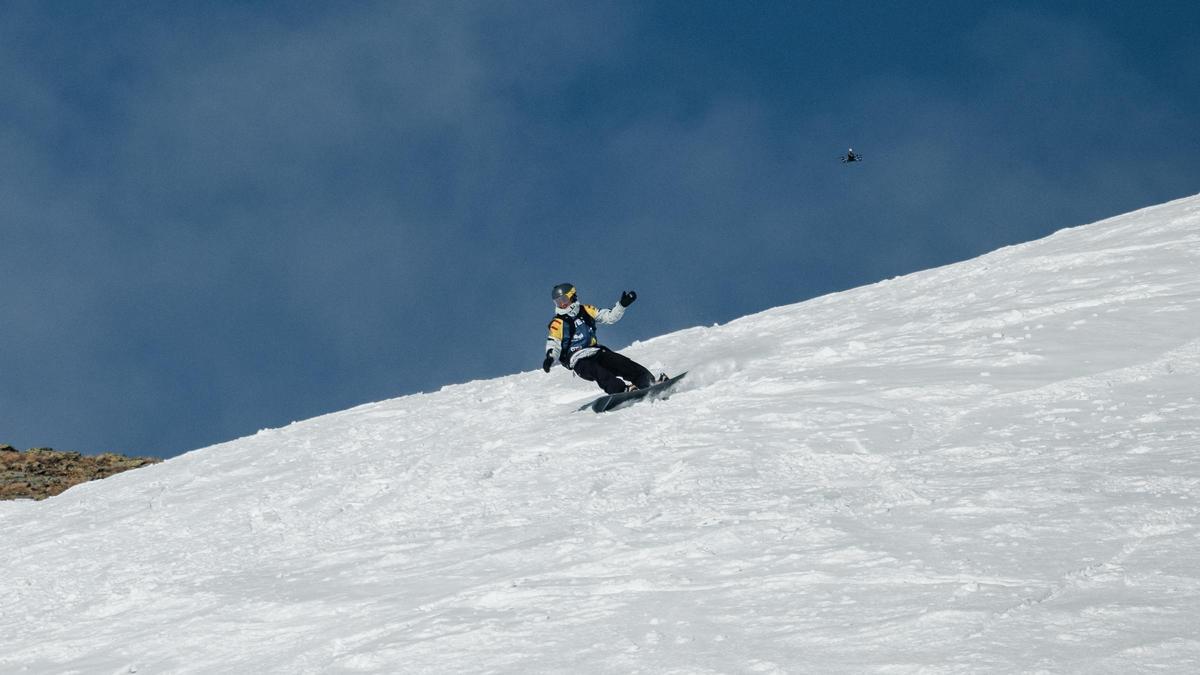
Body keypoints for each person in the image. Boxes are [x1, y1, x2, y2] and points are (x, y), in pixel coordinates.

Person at [541, 283, 663, 394]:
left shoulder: (586, 310)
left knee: (623, 363)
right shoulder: (558, 322)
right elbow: (554, 343)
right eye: (558, 302)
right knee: (598, 372)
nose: (562, 304)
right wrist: (550, 358)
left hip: (596, 352)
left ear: (572, 296)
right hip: (578, 360)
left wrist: (621, 305)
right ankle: (622, 391)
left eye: (564, 300)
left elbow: (608, 317)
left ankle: (649, 382)